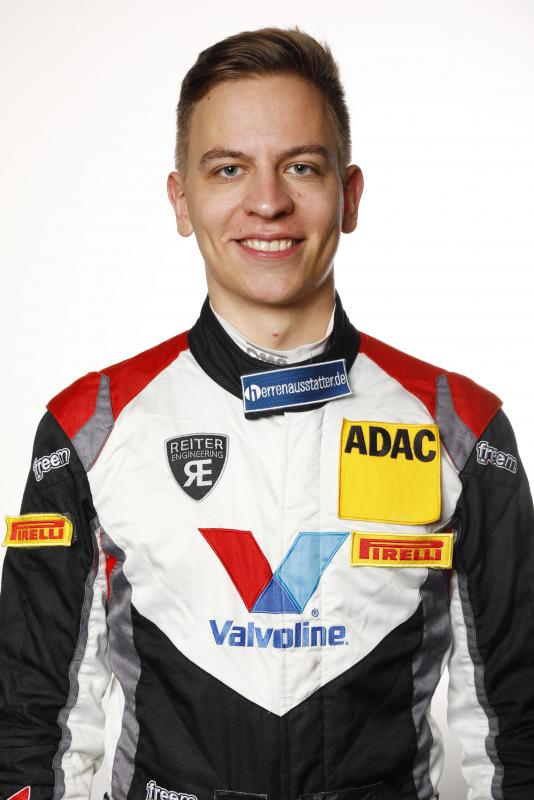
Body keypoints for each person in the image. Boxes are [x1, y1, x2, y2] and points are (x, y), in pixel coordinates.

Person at [0, 24, 532, 800]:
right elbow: (31, 722)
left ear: (349, 196)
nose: (268, 202)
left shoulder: (464, 429)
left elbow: (518, 726)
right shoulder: (87, 429)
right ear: (182, 200)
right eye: (228, 169)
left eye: (301, 166)